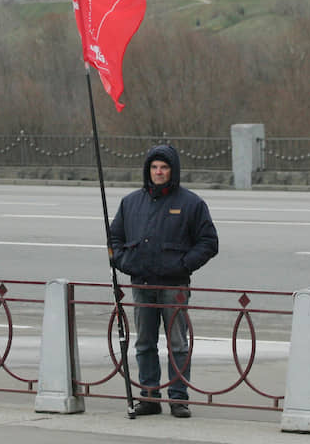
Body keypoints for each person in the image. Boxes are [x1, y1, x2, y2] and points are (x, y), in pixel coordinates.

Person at [109, 145, 219, 418]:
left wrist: (183, 264)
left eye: (164, 167)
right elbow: (113, 241)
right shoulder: (131, 202)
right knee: (144, 342)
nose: (159, 172)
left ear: (173, 171)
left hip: (174, 287)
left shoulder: (191, 203)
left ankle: (179, 398)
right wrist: (126, 263)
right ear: (148, 170)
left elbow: (209, 243)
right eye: (154, 167)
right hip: (142, 284)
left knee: (178, 344)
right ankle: (149, 396)